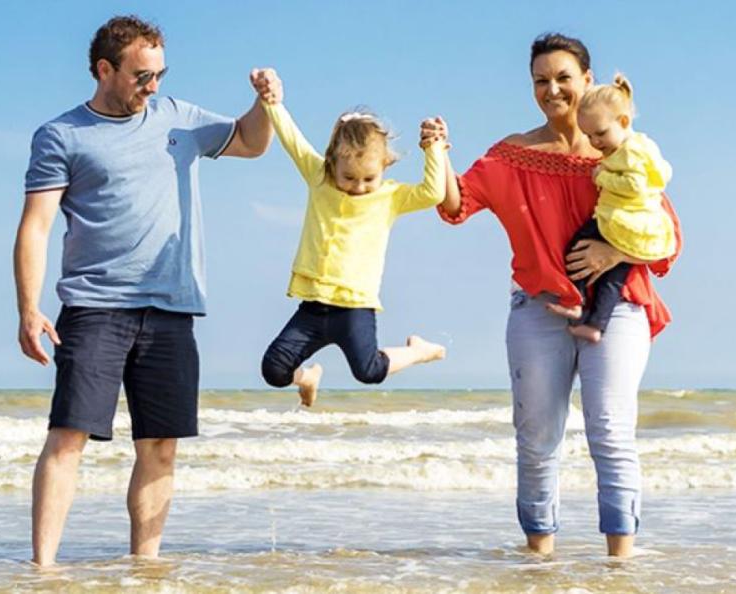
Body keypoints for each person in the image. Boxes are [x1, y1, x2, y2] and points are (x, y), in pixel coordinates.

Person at [13, 15, 281, 566]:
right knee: (68, 439)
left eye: (158, 74)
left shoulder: (178, 117)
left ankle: (146, 568)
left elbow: (253, 143)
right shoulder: (61, 135)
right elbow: (35, 225)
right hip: (93, 308)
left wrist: (266, 103)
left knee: (160, 446)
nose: (152, 86)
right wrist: (28, 308)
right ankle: (41, 571)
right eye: (140, 75)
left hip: (172, 309)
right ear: (104, 69)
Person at [422, 33, 682, 557]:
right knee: (537, 439)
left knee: (610, 432)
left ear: (588, 80)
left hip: (620, 306)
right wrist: (437, 154)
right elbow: (457, 203)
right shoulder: (512, 155)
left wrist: (612, 253)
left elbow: (665, 235)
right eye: (541, 80)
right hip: (538, 310)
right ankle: (538, 561)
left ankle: (620, 566)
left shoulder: (622, 152)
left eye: (564, 77)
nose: (552, 89)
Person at [255, 77, 448, 407]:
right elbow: (292, 140)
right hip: (313, 306)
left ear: (385, 165)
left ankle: (418, 351)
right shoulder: (319, 178)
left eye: (368, 179)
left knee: (368, 371)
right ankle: (308, 377)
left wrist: (434, 149)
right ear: (332, 163)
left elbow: (434, 192)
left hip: (356, 308)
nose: (358, 186)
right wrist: (271, 101)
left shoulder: (390, 197)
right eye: (349, 177)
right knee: (273, 369)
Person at [546, 74, 676, 342]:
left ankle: (575, 299)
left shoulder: (630, 151)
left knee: (578, 245)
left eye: (601, 133)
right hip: (630, 224)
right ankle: (595, 326)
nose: (595, 143)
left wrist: (601, 177)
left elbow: (635, 184)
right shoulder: (643, 147)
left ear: (624, 121)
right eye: (589, 136)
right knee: (612, 279)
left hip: (620, 220)